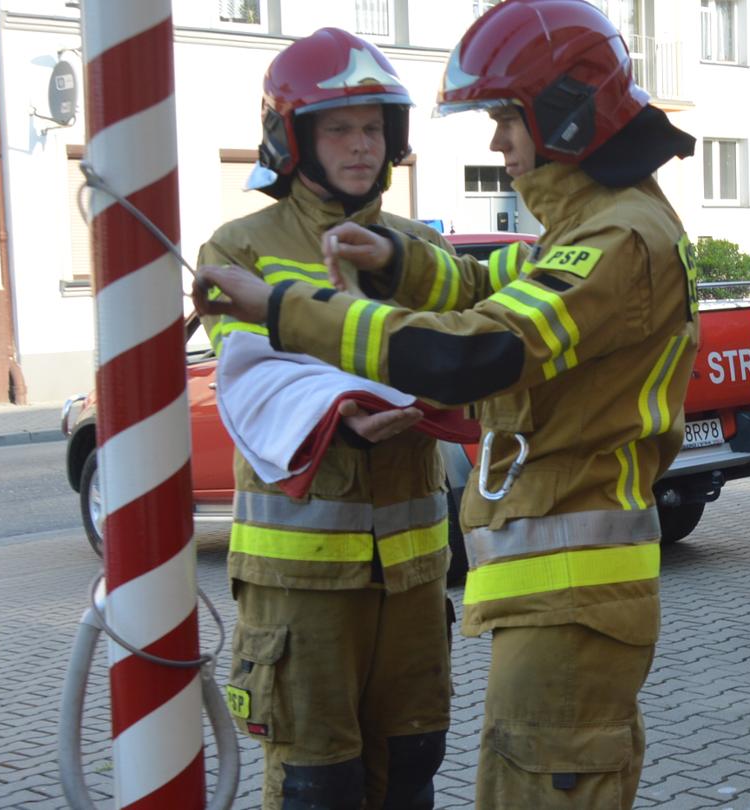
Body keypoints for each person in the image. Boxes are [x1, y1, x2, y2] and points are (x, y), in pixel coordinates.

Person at [194, 1, 699, 806]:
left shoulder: (618, 240)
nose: (498, 143)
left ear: (563, 117)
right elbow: (479, 286)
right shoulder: (583, 231)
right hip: (535, 592)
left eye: (507, 119)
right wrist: (396, 260)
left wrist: (284, 308)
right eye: (339, 129)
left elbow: (477, 349)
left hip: (564, 593)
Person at [198, 31, 461, 809]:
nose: (360, 146)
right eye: (338, 128)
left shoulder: (412, 247)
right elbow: (249, 381)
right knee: (319, 785)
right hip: (301, 581)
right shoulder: (241, 245)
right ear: (293, 138)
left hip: (413, 575)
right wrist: (338, 413)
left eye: (373, 128)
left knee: (413, 766)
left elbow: (469, 344)